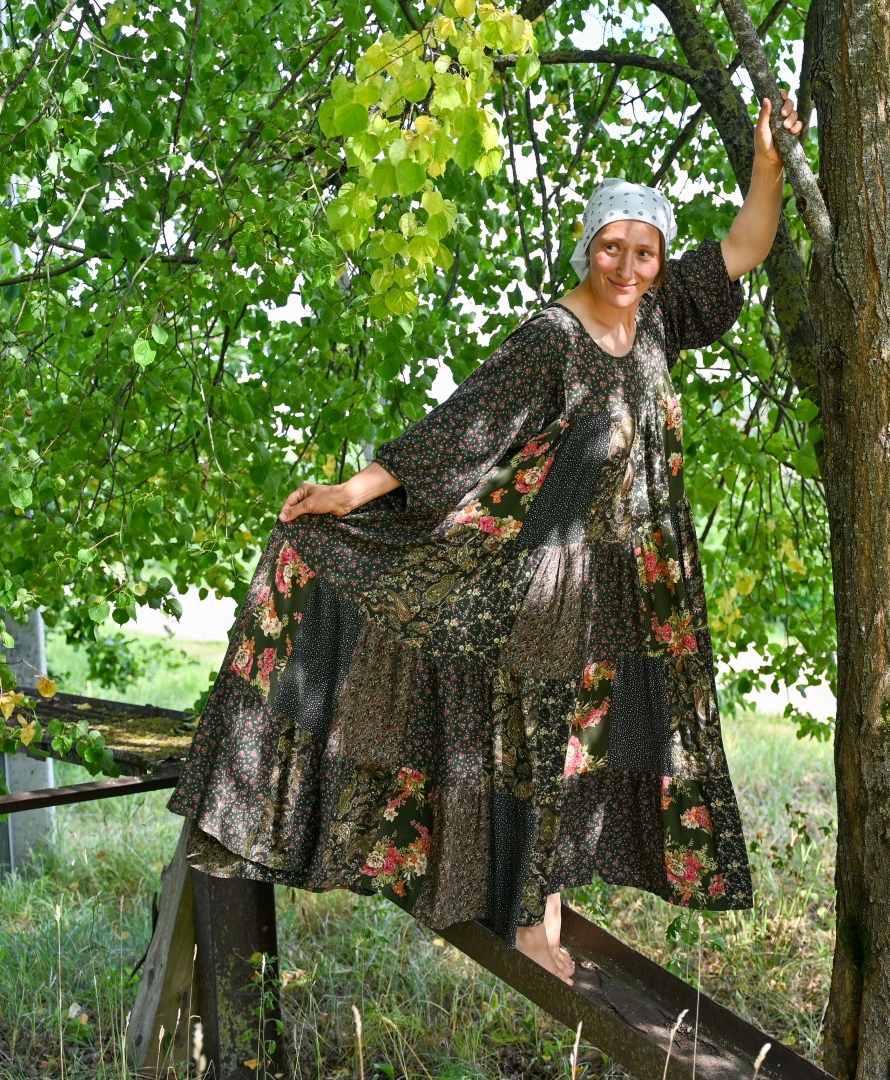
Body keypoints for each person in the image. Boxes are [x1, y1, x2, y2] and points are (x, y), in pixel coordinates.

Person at [165, 91, 805, 986]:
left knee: (589, 745)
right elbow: (460, 430)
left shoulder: (657, 318)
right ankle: (532, 926)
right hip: (542, 578)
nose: (627, 265)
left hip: (630, 575)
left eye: (644, 251)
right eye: (611, 247)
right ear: (586, 247)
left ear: (659, 260)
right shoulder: (551, 338)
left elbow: (744, 247)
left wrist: (768, 164)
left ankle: (543, 907)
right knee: (541, 744)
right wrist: (350, 492)